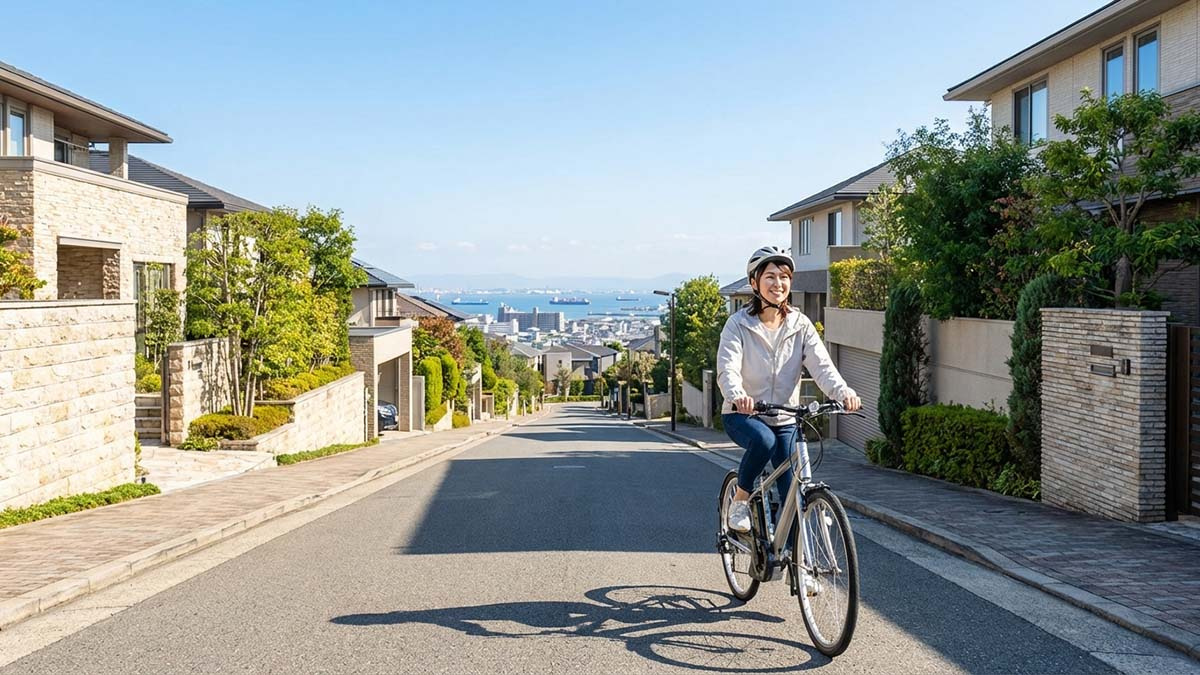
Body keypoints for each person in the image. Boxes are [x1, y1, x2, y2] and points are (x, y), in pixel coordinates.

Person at [716, 245, 861, 532]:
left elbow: (822, 366)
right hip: (743, 414)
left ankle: (797, 570)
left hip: (785, 417)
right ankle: (741, 500)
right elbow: (727, 369)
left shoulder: (800, 324)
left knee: (793, 495)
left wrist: (842, 392)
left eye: (784, 276)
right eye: (770, 277)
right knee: (764, 441)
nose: (778, 283)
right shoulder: (738, 325)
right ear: (755, 283)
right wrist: (737, 395)